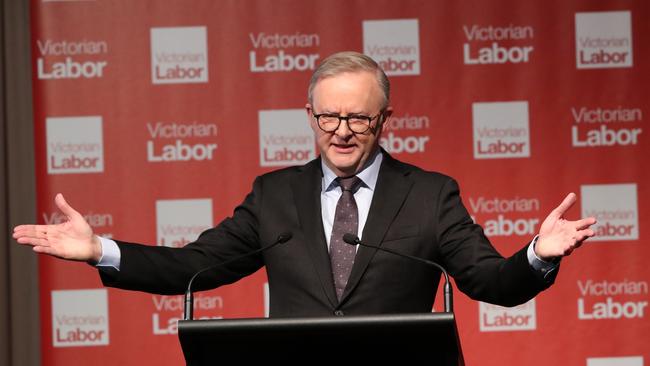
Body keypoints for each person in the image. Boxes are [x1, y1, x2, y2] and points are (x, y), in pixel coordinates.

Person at [14, 51, 596, 317]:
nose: (342, 133)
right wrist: (100, 250)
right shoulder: (275, 196)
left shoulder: (429, 194)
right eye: (328, 117)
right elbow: (195, 266)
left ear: (385, 120)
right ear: (311, 115)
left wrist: (537, 255)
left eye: (359, 118)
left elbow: (490, 282)